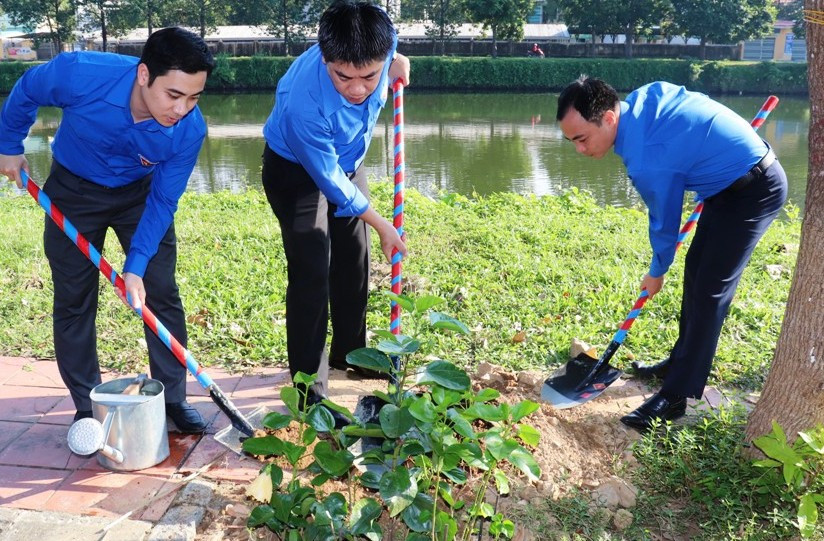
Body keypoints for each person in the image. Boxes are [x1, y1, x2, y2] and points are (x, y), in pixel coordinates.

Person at [0, 27, 215, 433]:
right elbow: (28, 88)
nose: (182, 109)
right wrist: (9, 144)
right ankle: (87, 405)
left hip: (140, 196)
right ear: (144, 75)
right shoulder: (79, 73)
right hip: (73, 190)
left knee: (160, 290)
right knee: (74, 299)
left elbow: (163, 201)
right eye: (173, 95)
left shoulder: (189, 130)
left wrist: (135, 266)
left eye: (194, 98)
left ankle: (172, 398)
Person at [555, 76, 787, 431]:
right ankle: (679, 362)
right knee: (696, 273)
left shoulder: (648, 158)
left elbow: (664, 222)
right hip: (725, 187)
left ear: (609, 118)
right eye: (572, 141)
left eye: (582, 139)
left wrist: (657, 270)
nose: (580, 150)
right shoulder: (641, 101)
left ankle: (676, 396)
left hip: (754, 191)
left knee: (710, 292)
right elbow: (679, 99)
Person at [261, 0, 409, 426]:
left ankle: (352, 354)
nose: (358, 89)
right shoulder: (301, 103)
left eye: (369, 76)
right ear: (325, 57)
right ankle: (309, 391)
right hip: (297, 172)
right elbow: (328, 181)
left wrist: (397, 64)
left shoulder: (381, 40)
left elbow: (392, 51)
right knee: (312, 268)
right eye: (343, 77)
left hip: (347, 161)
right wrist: (381, 223)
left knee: (353, 259)